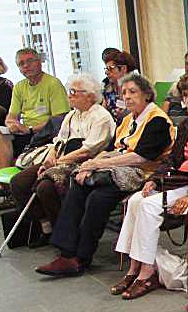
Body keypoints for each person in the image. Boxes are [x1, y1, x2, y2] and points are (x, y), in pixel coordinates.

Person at [36, 74, 174, 277]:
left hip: (144, 176)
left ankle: (80, 258)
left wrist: (98, 163)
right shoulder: (128, 119)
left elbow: (139, 158)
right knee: (78, 183)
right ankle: (67, 252)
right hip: (117, 171)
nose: (127, 97)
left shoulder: (157, 120)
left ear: (146, 95)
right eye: (124, 92)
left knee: (97, 198)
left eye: (133, 92)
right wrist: (88, 166)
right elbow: (112, 148)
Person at [113, 71, 188, 300]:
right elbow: (172, 159)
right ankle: (134, 268)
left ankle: (147, 273)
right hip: (180, 178)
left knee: (148, 207)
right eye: (185, 95)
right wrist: (154, 179)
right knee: (136, 200)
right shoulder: (187, 123)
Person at [9, 73, 115, 247]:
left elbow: (88, 151)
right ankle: (47, 226)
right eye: (69, 91)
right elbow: (58, 141)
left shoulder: (101, 117)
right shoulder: (72, 115)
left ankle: (65, 235)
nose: (69, 95)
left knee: (45, 187)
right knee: (19, 182)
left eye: (74, 92)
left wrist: (57, 163)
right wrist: (50, 158)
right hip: (61, 159)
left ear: (90, 96)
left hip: (84, 164)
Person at [0, 48, 69, 170]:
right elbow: (11, 115)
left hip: (47, 133)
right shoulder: (19, 87)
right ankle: (3, 181)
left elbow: (59, 119)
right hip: (26, 132)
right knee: (1, 134)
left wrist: (29, 129)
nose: (26, 66)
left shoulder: (53, 83)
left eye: (30, 61)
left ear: (39, 62)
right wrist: (11, 123)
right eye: (21, 64)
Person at [101, 49, 138, 122]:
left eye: (110, 68)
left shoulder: (138, 87)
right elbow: (103, 112)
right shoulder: (108, 86)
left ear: (123, 68)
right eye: (106, 69)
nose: (106, 72)